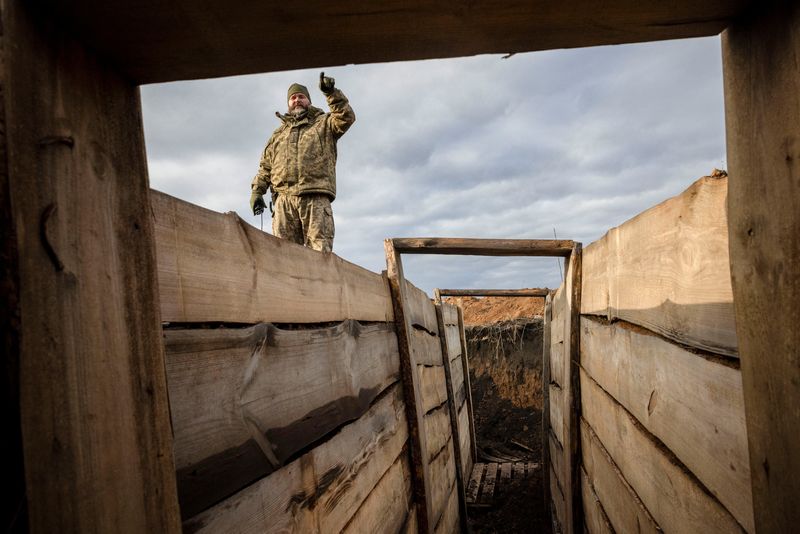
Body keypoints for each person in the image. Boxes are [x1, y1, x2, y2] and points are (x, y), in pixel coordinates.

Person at [250, 72, 355, 253]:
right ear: (288, 103)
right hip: (283, 202)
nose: (297, 100)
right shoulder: (278, 135)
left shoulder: (324, 123)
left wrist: (331, 93)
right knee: (283, 255)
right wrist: (257, 191)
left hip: (315, 197)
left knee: (320, 253)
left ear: (308, 100)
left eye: (301, 96)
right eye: (293, 98)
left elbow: (346, 117)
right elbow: (265, 167)